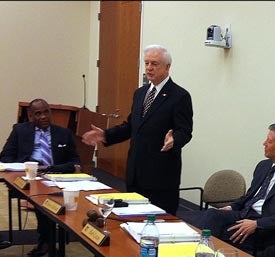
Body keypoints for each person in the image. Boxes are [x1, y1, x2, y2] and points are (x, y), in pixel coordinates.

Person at [82, 44, 193, 215]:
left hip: (161, 176)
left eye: (154, 64)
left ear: (167, 67)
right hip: (135, 172)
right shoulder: (140, 93)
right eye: (147, 63)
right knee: (132, 218)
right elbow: (131, 126)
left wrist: (174, 140)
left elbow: (185, 131)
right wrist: (105, 135)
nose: (149, 68)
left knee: (158, 222)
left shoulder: (179, 96)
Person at [197, 122, 275, 256]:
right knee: (212, 215)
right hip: (246, 214)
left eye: (269, 141)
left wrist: (258, 223)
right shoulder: (264, 166)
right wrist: (231, 207)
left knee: (219, 232)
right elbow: (249, 197)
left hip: (268, 227)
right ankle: (199, 254)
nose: (263, 143)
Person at [0, 98, 81, 257]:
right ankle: (46, 240)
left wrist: (51, 168)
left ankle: (49, 239)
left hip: (57, 177)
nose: (43, 116)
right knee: (42, 199)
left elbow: (75, 161)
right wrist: (27, 165)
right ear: (30, 116)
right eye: (38, 114)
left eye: (46, 112)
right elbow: (5, 157)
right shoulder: (20, 131)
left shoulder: (64, 133)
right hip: (30, 178)